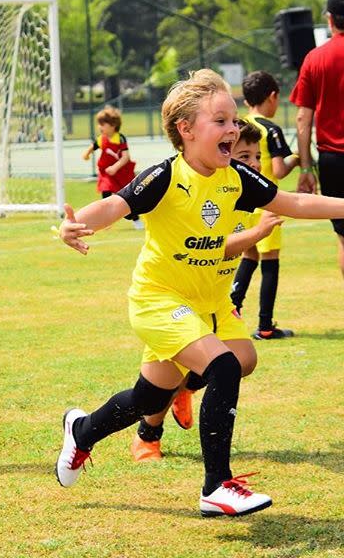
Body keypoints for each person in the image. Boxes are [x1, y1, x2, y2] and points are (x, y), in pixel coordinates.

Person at [55, 68, 344, 517]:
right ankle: (217, 486)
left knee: (157, 396)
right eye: (222, 122)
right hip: (161, 301)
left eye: (233, 121)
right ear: (186, 130)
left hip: (208, 303)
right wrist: (76, 224)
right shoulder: (166, 178)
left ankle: (82, 431)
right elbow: (115, 204)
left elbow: (295, 202)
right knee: (225, 365)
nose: (233, 130)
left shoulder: (235, 179)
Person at [130, 120, 284, 462]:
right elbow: (216, 246)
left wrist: (235, 297)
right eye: (244, 155)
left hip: (213, 298)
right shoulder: (205, 185)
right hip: (176, 297)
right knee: (159, 385)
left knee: (243, 359)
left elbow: (244, 255)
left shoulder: (244, 190)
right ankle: (147, 435)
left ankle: (187, 388)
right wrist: (256, 234)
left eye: (257, 156)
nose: (255, 164)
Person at [230, 71, 299, 339]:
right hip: (266, 206)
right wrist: (298, 158)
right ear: (272, 97)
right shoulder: (270, 129)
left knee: (249, 256)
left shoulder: (240, 125)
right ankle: (266, 326)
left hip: (241, 205)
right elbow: (279, 171)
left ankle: (231, 308)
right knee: (270, 261)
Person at [291, 0, 344, 277]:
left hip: (334, 160)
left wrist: (305, 168)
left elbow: (303, 118)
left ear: (330, 19)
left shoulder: (315, 59)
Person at [82, 106, 143, 230]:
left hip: (122, 173)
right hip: (107, 173)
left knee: (127, 197)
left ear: (113, 125)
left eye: (102, 124)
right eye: (99, 124)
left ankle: (136, 219)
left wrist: (115, 167)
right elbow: (93, 146)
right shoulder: (101, 139)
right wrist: (87, 154)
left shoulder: (120, 138)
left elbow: (126, 157)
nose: (100, 127)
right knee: (105, 191)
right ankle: (107, 220)